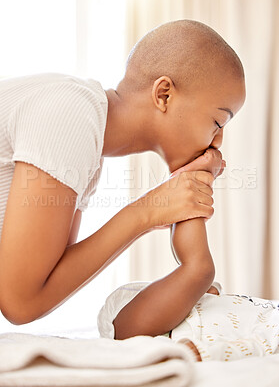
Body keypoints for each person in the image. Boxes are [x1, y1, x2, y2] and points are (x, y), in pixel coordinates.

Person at [0, 19, 245, 326]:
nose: (218, 141)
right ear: (164, 95)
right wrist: (145, 212)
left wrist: (153, 215)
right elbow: (21, 302)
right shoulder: (71, 113)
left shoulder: (87, 142)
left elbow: (47, 278)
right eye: (218, 122)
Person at [97, 152, 279, 362]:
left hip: (165, 330)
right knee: (198, 272)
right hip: (168, 310)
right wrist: (209, 295)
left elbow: (256, 346)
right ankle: (190, 183)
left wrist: (205, 353)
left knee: (200, 269)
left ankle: (194, 177)